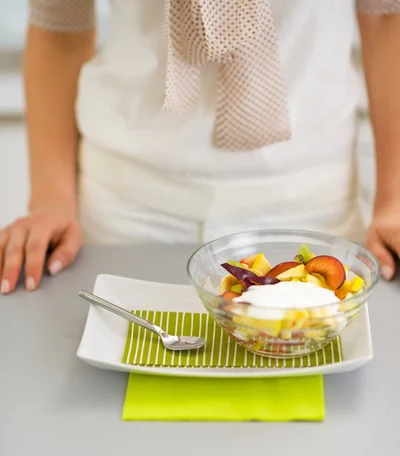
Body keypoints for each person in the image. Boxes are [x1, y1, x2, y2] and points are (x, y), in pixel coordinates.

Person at [0, 0, 399, 294]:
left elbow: (387, 20)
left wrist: (394, 201)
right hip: (123, 213)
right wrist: (51, 200)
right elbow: (59, 24)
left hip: (311, 210)